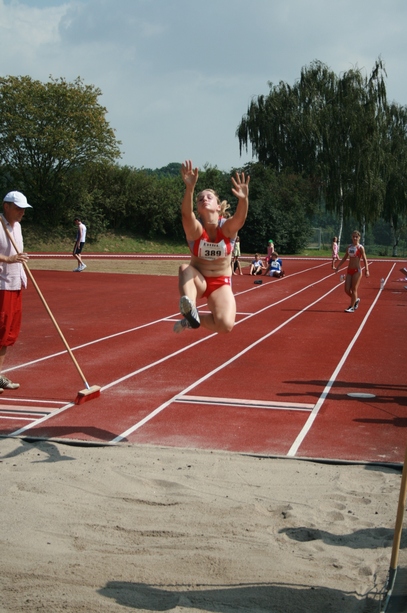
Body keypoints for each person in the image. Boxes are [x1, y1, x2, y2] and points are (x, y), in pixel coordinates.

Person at [174, 159, 250, 334]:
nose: (204, 199)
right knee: (185, 269)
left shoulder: (226, 228)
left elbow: (240, 219)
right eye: (200, 199)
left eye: (209, 197)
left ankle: (192, 320)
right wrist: (189, 188)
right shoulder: (196, 230)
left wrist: (244, 200)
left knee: (225, 325)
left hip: (220, 283)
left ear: (218, 206)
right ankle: (190, 309)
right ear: (198, 209)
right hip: (198, 280)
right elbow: (186, 215)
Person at [0, 191, 32, 391]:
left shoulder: (17, 227)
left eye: (24, 209)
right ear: (6, 206)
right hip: (1, 285)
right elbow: (8, 256)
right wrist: (8, 259)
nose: (22, 212)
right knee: (1, 330)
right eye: (18, 208)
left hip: (15, 283)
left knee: (8, 333)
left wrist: (20, 261)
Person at [335, 230, 370, 313]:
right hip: (349, 270)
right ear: (351, 237)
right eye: (353, 236)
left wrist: (367, 270)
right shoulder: (349, 247)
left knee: (354, 289)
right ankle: (356, 300)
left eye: (356, 237)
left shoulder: (360, 248)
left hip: (357, 271)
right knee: (347, 289)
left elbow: (364, 259)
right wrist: (338, 266)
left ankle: (352, 307)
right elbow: (345, 257)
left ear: (359, 238)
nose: (355, 238)